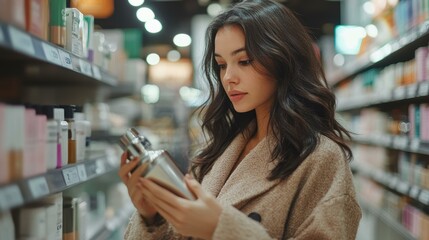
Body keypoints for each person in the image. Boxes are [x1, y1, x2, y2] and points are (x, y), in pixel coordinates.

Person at [119, 0, 362, 239]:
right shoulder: (219, 148)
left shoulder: (322, 159)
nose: (228, 78)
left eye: (244, 61)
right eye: (222, 65)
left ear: (283, 60)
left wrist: (221, 229)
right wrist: (153, 217)